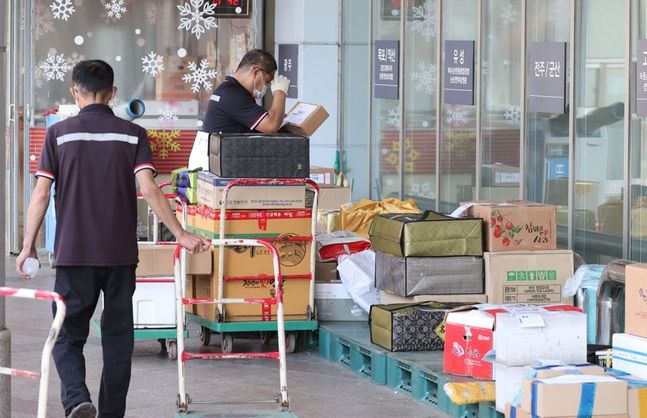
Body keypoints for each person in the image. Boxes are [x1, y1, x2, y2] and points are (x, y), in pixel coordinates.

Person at [15, 60, 211, 418]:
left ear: (75, 91)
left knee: (65, 335)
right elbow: (149, 189)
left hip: (74, 255)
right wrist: (181, 234)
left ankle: (76, 400)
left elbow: (41, 195)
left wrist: (28, 244)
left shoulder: (59, 135)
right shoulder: (132, 135)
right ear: (113, 93)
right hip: (121, 256)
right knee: (118, 343)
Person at [201, 48, 291, 134]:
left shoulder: (229, 90)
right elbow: (271, 125)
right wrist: (280, 92)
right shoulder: (232, 95)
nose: (265, 87)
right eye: (266, 82)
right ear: (256, 72)